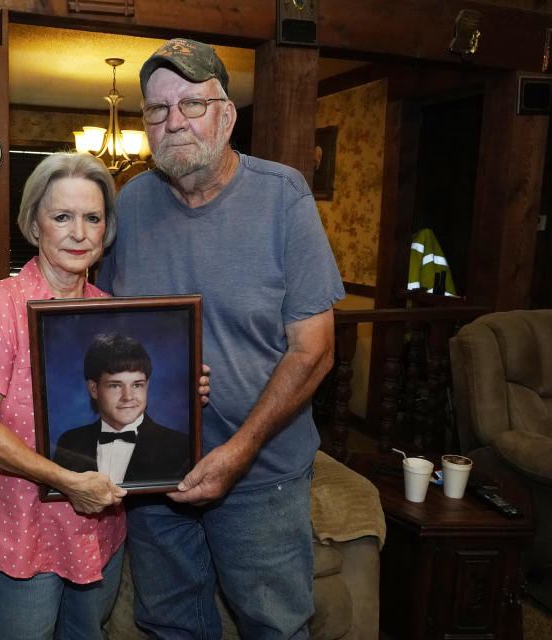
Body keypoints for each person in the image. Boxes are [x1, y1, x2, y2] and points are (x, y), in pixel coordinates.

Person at [97, 38, 345, 639]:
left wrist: (239, 452)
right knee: (170, 625)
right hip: (154, 474)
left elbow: (314, 350)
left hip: (260, 474)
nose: (173, 120)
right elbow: (102, 330)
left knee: (274, 627)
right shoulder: (129, 205)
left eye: (191, 103)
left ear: (227, 115)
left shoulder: (283, 197)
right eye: (157, 110)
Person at [0, 152, 127, 640]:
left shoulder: (115, 313)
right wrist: (66, 480)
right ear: (34, 224)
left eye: (93, 218)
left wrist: (182, 390)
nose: (79, 233)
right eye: (62, 217)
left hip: (96, 530)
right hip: (18, 531)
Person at [52, 332, 191, 485]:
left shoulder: (179, 446)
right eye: (115, 385)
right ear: (93, 389)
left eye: (137, 385)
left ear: (147, 386)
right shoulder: (70, 442)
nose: (128, 397)